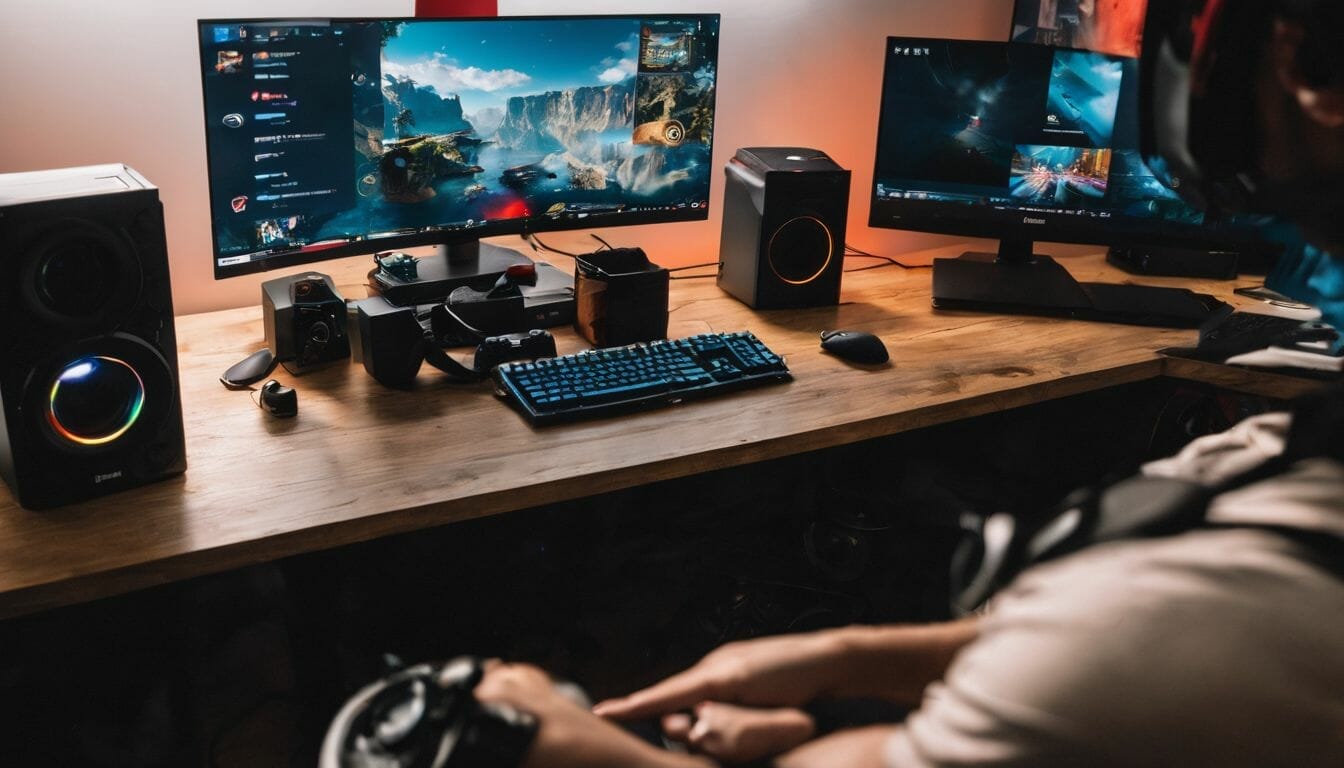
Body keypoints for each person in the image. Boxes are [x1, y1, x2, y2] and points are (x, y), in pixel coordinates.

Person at [475, 3, 1344, 765]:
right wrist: (837, 659)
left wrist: (557, 741)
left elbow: (1092, 669)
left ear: (1307, 70)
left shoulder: (1245, 609)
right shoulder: (1292, 476)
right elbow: (1064, 660)